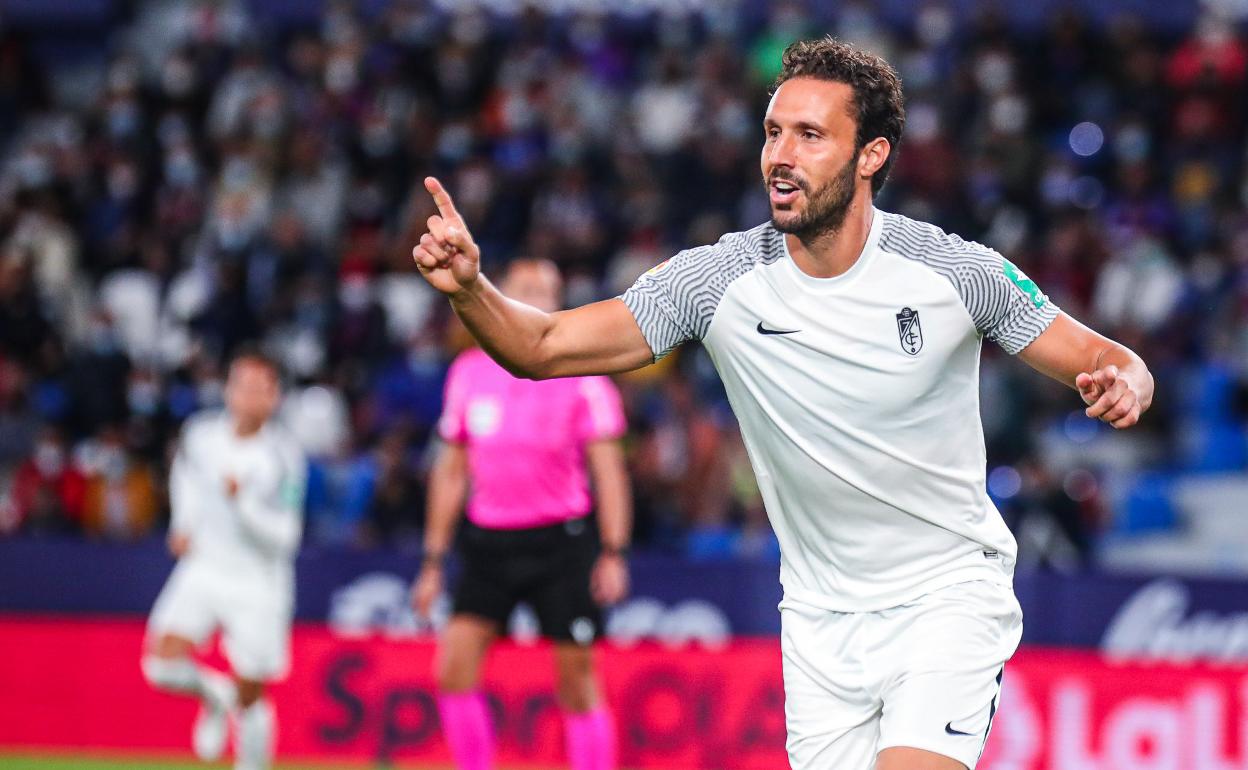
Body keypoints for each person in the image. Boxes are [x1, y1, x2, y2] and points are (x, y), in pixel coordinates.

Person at [411, 37, 1154, 770]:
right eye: (772, 132)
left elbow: (1101, 355)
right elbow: (541, 348)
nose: (780, 155)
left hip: (945, 598)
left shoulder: (954, 272)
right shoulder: (718, 280)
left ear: (872, 156)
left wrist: (1128, 378)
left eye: (809, 135)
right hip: (819, 622)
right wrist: (474, 291)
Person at [411, 257, 632, 770]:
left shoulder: (583, 375)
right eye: (524, 287)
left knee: (577, 682)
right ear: (500, 295)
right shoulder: (468, 372)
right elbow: (450, 474)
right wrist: (432, 561)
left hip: (562, 542)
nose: (535, 297)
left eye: (546, 290)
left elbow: (610, 473)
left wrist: (614, 552)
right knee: (453, 671)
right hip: (488, 541)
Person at [141, 351, 306, 770]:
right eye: (241, 386)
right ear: (228, 390)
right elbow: (184, 477)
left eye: (259, 389)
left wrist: (244, 502)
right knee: (159, 665)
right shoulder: (199, 434)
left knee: (252, 694)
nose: (248, 396)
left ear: (274, 396)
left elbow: (287, 537)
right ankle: (217, 698)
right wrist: (182, 523)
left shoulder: (284, 457)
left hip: (259, 582)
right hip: (204, 567)